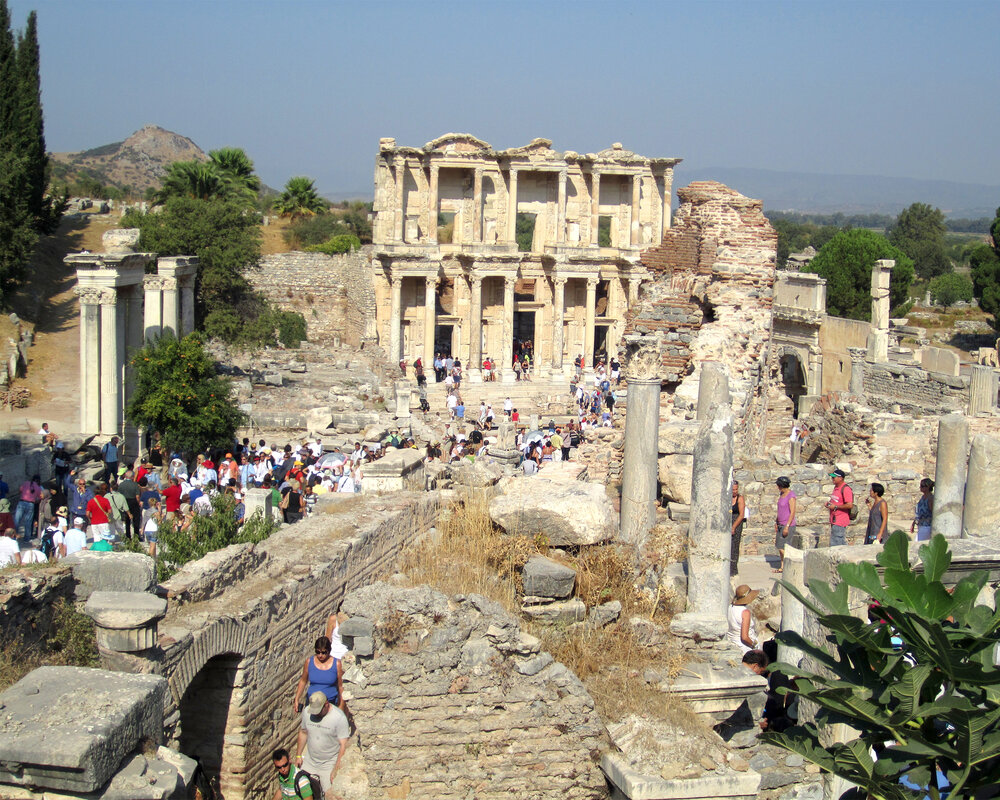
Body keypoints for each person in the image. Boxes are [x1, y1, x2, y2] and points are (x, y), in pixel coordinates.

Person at [295, 692, 350, 799]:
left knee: (329, 794)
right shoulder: (307, 712)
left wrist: (336, 768)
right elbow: (303, 732)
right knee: (302, 790)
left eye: (318, 711)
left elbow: (343, 745)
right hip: (310, 762)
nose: (315, 714)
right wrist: (298, 755)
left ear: (326, 704)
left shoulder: (338, 717)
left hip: (328, 764)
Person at [293, 636, 344, 714]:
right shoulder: (309, 662)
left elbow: (341, 686)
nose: (320, 655)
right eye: (318, 652)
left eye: (324, 652)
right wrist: (297, 699)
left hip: (330, 704)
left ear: (329, 651)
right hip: (312, 704)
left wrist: (341, 705)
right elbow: (303, 681)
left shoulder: (337, 664)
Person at [727, 584, 759, 654]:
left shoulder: (730, 608)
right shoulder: (745, 612)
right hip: (746, 647)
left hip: (733, 642)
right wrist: (755, 646)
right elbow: (744, 637)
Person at [774, 476, 797, 573]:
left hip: (787, 525)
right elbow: (780, 509)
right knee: (779, 546)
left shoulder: (791, 496)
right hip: (780, 523)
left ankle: (790, 564)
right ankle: (782, 566)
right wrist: (776, 521)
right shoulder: (781, 494)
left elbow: (792, 512)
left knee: (783, 547)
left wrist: (787, 526)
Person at [826, 468, 854, 547]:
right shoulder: (836, 488)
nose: (832, 479)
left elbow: (849, 505)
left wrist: (835, 507)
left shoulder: (845, 489)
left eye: (834, 477)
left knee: (837, 544)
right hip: (834, 520)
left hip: (840, 520)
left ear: (840, 478)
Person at [731, 480, 746, 576]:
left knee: (734, 547)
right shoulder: (727, 498)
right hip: (728, 522)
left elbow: (741, 515)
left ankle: (733, 570)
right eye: (733, 489)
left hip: (736, 523)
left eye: (736, 489)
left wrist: (733, 527)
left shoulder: (740, 499)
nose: (735, 491)